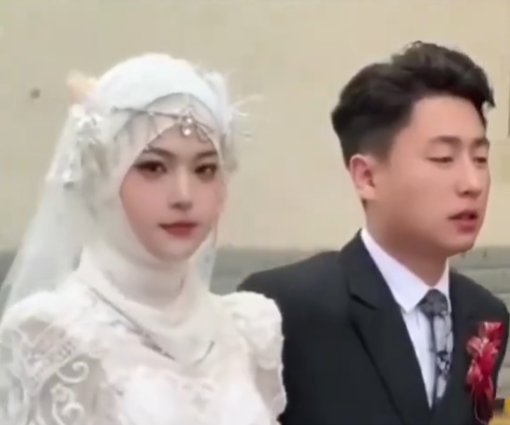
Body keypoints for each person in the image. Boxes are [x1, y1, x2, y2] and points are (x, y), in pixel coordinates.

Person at [0, 54, 285, 425]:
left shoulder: (249, 330)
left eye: (204, 169)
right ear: (103, 179)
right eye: (153, 167)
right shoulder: (53, 334)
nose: (184, 195)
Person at [239, 41, 509, 425]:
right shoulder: (283, 307)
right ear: (367, 177)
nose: (473, 183)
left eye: (480, 159)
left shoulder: (484, 313)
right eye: (443, 158)